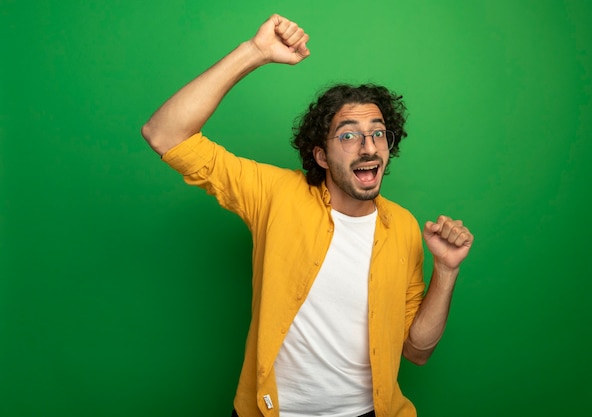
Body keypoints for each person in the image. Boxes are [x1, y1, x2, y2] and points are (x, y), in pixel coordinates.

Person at [141, 14, 473, 417]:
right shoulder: (275, 194)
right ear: (320, 154)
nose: (368, 146)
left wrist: (446, 270)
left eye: (378, 132)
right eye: (348, 135)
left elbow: (417, 351)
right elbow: (164, 133)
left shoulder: (402, 226)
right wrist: (255, 52)